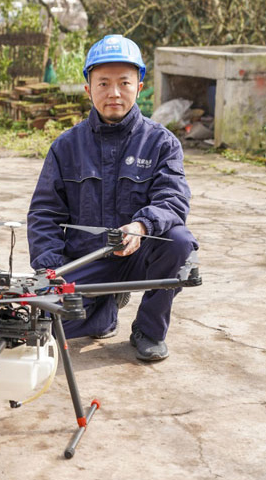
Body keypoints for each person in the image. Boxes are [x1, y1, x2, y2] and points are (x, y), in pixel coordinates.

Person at [26, 34, 198, 362]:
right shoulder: (65, 147)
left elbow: (173, 198)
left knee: (178, 242)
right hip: (85, 261)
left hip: (139, 257)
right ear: (88, 88)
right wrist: (51, 275)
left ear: (140, 85)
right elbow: (44, 213)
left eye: (124, 82)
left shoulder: (162, 143)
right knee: (40, 324)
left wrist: (143, 225)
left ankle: (148, 330)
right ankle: (104, 311)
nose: (114, 93)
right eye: (103, 83)